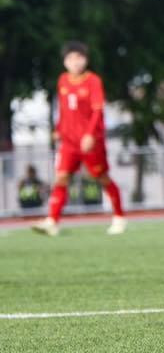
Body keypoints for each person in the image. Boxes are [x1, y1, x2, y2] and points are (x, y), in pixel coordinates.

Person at [32, 42, 126, 236]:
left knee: (101, 177)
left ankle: (119, 217)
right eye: (70, 59)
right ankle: (52, 221)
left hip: (91, 141)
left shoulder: (93, 81)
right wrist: (58, 129)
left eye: (78, 58)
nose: (74, 62)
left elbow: (97, 110)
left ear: (85, 60)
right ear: (65, 62)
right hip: (69, 142)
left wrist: (90, 134)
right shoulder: (63, 81)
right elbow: (64, 110)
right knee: (61, 177)